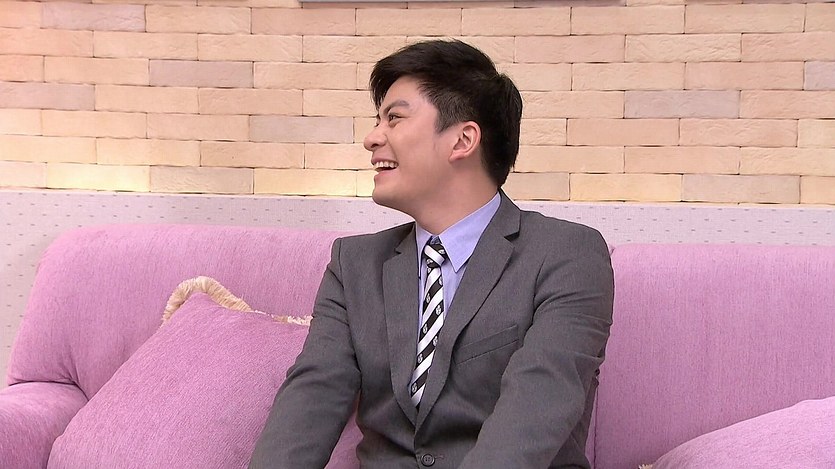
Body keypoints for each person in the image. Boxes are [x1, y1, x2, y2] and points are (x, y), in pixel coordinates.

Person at [250, 39, 613, 469]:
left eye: (394, 118)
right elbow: (310, 402)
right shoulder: (354, 265)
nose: (371, 138)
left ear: (463, 140)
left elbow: (536, 410)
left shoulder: (566, 255)